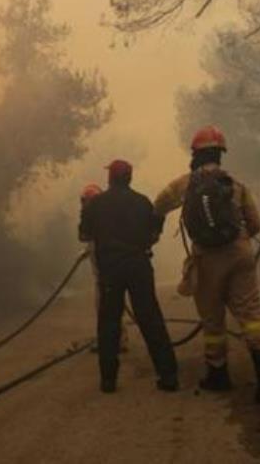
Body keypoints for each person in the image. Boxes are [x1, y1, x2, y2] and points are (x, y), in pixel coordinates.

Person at [154, 126, 260, 403]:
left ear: (195, 154)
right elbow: (257, 224)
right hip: (239, 254)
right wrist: (240, 240)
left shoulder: (185, 183)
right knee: (251, 315)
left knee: (212, 319)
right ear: (220, 154)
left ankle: (218, 374)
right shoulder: (235, 185)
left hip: (207, 259)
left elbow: (159, 204)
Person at [79, 160, 178, 393]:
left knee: (108, 323)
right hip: (139, 267)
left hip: (110, 270)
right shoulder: (143, 202)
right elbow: (154, 235)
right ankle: (169, 376)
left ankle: (108, 381)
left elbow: (84, 235)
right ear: (129, 178)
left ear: (110, 178)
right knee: (150, 319)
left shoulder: (96, 204)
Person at [80, 183, 129, 354]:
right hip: (104, 276)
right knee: (109, 309)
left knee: (107, 309)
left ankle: (113, 342)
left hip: (106, 276)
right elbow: (90, 241)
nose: (85, 205)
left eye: (87, 201)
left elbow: (90, 237)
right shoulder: (101, 220)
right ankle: (116, 340)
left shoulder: (99, 220)